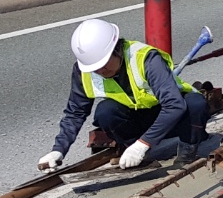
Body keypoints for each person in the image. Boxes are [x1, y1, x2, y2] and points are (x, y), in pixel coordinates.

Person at [36, 19, 211, 173]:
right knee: (105, 111)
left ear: (117, 49)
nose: (100, 71)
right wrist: (58, 150)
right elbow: (75, 112)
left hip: (174, 119)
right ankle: (133, 150)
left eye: (103, 64)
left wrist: (143, 144)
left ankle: (188, 148)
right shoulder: (85, 70)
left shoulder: (146, 59)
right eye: (95, 68)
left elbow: (174, 105)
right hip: (137, 120)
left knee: (195, 103)